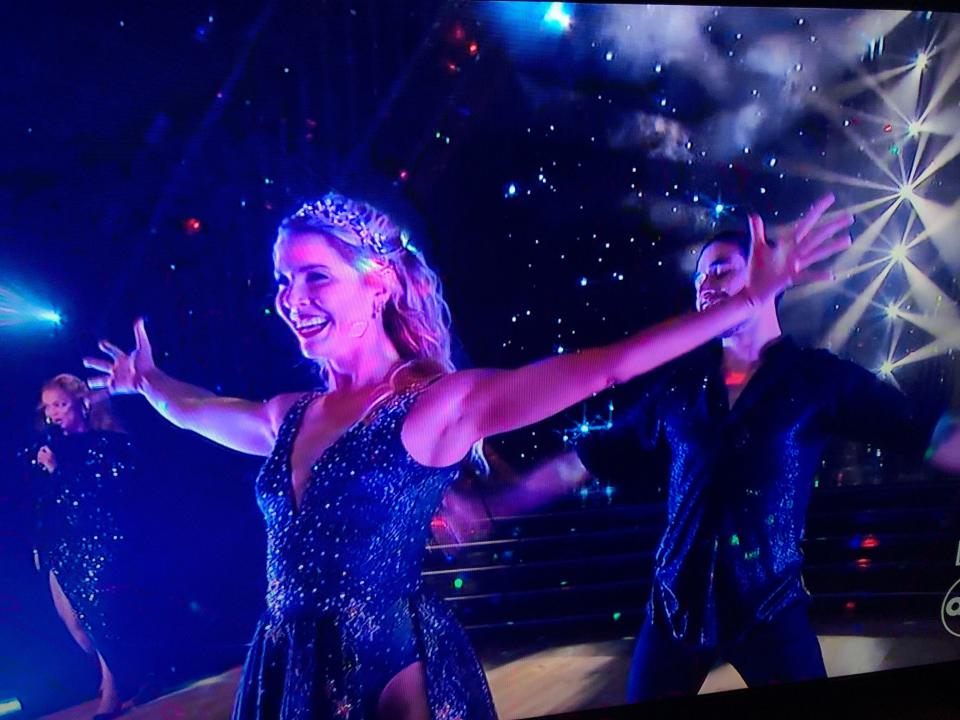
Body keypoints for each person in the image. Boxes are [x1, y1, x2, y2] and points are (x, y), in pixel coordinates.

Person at [83, 191, 851, 719]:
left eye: (315, 275)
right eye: (284, 281)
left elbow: (606, 366)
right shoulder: (290, 415)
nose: (292, 297)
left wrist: (749, 302)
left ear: (377, 281)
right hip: (286, 660)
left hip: (388, 656)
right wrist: (145, 381)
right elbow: (200, 413)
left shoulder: (437, 405)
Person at [463, 226, 960, 703]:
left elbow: (922, 433)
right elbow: (583, 463)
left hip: (771, 607)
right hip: (675, 611)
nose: (705, 285)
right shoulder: (677, 388)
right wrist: (498, 505)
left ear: (765, 276)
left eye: (720, 271)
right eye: (700, 278)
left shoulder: (818, 379)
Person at [27, 373, 139, 719]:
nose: (54, 413)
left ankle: (113, 690)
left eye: (60, 404)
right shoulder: (49, 448)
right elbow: (44, 502)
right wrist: (39, 544)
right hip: (61, 544)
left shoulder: (107, 443)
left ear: (81, 402)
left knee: (96, 618)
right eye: (49, 407)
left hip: (99, 541)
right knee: (75, 623)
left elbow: (103, 496)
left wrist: (58, 470)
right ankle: (125, 670)